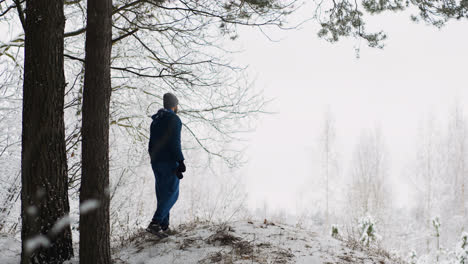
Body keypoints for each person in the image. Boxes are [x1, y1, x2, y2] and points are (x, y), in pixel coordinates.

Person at [146, 92, 186, 238]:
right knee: (172, 193)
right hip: (169, 161)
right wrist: (180, 161)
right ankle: (155, 223)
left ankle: (164, 226)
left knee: (163, 194)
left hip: (156, 161)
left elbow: (151, 143)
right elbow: (174, 141)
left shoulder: (155, 121)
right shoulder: (174, 119)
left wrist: (153, 158)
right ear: (175, 105)